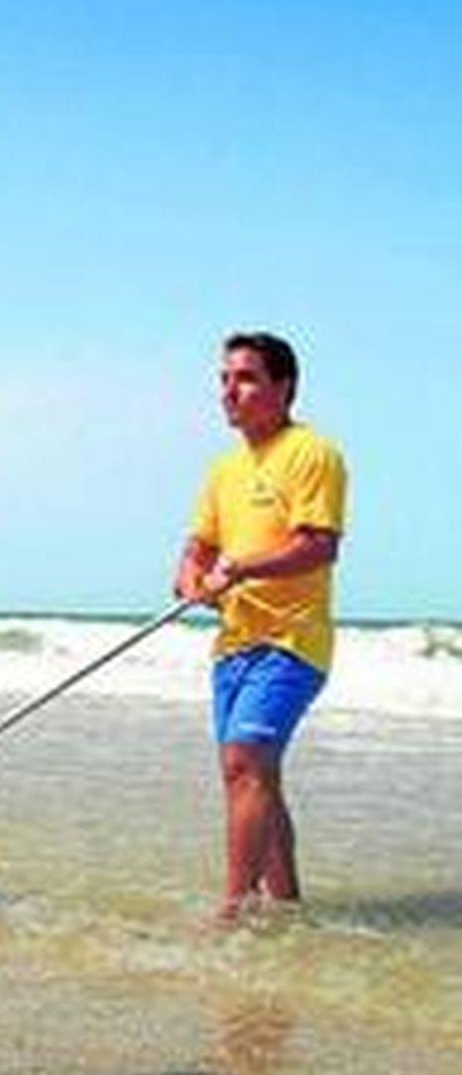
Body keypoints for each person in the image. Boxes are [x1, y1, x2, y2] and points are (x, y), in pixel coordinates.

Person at [174, 331, 348, 922]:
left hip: (291, 641)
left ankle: (234, 911)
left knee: (243, 761)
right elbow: (196, 547)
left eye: (245, 378)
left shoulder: (312, 453)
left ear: (284, 387)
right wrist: (194, 578)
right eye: (224, 379)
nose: (230, 391)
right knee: (257, 776)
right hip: (234, 645)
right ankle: (288, 909)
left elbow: (319, 547)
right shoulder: (223, 469)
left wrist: (241, 567)